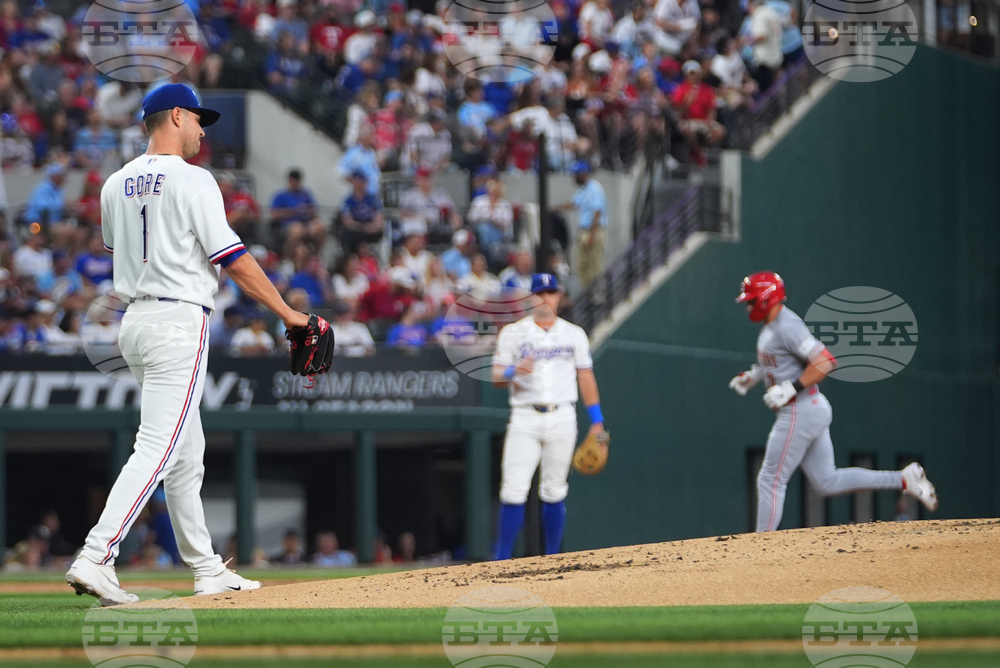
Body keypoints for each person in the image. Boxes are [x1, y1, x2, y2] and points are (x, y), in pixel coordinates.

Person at [66, 84, 317, 606]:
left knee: (187, 453)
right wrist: (290, 314)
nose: (203, 130)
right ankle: (96, 554)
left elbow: (121, 247)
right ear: (175, 115)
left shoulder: (115, 182)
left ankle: (206, 569)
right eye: (198, 119)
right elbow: (236, 261)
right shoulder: (194, 179)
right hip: (179, 319)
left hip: (135, 320)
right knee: (158, 446)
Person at [730, 272, 939, 532]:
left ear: (765, 299)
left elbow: (825, 361)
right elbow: (778, 362)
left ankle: (760, 545)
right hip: (809, 408)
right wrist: (753, 375)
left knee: (770, 479)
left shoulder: (787, 325)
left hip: (799, 409)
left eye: (751, 301)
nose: (748, 306)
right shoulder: (773, 327)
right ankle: (904, 479)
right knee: (826, 481)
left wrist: (791, 387)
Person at [491, 273, 606, 559]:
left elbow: (586, 378)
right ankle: (501, 559)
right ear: (531, 298)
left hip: (562, 416)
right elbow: (496, 376)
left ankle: (553, 557)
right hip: (525, 416)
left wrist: (598, 421)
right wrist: (514, 370)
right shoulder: (514, 332)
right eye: (541, 293)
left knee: (554, 489)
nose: (546, 298)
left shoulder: (573, 333)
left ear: (559, 296)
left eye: (551, 292)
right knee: (513, 489)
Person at [556, 161, 606, 289]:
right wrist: (555, 208)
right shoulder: (583, 189)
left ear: (584, 174)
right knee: (582, 266)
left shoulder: (594, 188)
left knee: (594, 264)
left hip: (594, 230)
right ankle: (587, 294)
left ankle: (598, 297)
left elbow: (597, 211)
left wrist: (592, 233)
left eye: (576, 174)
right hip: (584, 230)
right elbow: (573, 204)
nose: (574, 177)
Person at [671, 61, 726, 166]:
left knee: (720, 131)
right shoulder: (681, 89)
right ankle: (698, 154)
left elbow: (711, 108)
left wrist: (710, 121)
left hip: (703, 121)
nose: (692, 76)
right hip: (687, 120)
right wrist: (687, 103)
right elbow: (678, 110)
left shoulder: (707, 89)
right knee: (689, 131)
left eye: (694, 73)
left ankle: (699, 149)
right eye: (690, 74)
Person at [269, 168, 325, 251]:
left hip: (305, 223)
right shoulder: (281, 195)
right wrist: (294, 211)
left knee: (320, 228)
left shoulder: (305, 194)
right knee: (297, 230)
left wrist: (309, 211)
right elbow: (274, 215)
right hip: (287, 225)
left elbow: (314, 210)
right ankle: (289, 257)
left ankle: (315, 256)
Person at [339, 170, 384, 252]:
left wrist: (373, 226)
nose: (361, 184)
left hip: (371, 228)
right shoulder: (348, 200)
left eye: (363, 181)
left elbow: (379, 217)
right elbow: (347, 220)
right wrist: (361, 227)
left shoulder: (373, 199)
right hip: (356, 229)